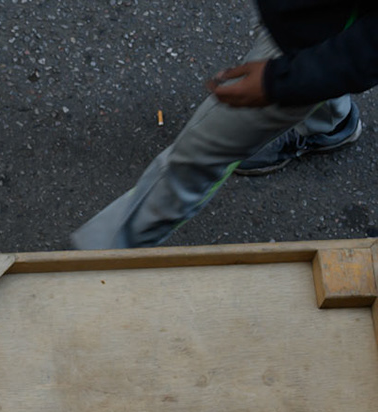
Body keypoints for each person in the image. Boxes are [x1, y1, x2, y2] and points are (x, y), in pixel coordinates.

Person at [72, 3, 376, 250]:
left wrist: (279, 81)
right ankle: (331, 123)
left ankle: (95, 261)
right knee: (326, 60)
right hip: (308, 22)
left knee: (192, 159)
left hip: (307, 45)